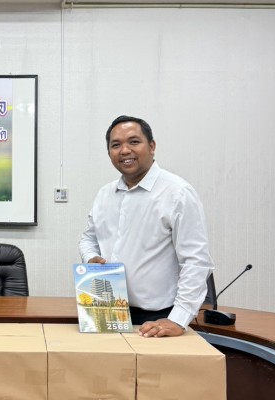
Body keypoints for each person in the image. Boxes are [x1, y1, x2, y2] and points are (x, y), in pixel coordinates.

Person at [79, 115, 215, 337]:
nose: (125, 150)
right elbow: (89, 238)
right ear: (109, 153)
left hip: (158, 318)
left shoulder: (177, 193)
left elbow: (196, 261)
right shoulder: (105, 194)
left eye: (134, 142)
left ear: (152, 146)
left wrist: (178, 319)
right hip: (106, 309)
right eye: (116, 145)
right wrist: (91, 257)